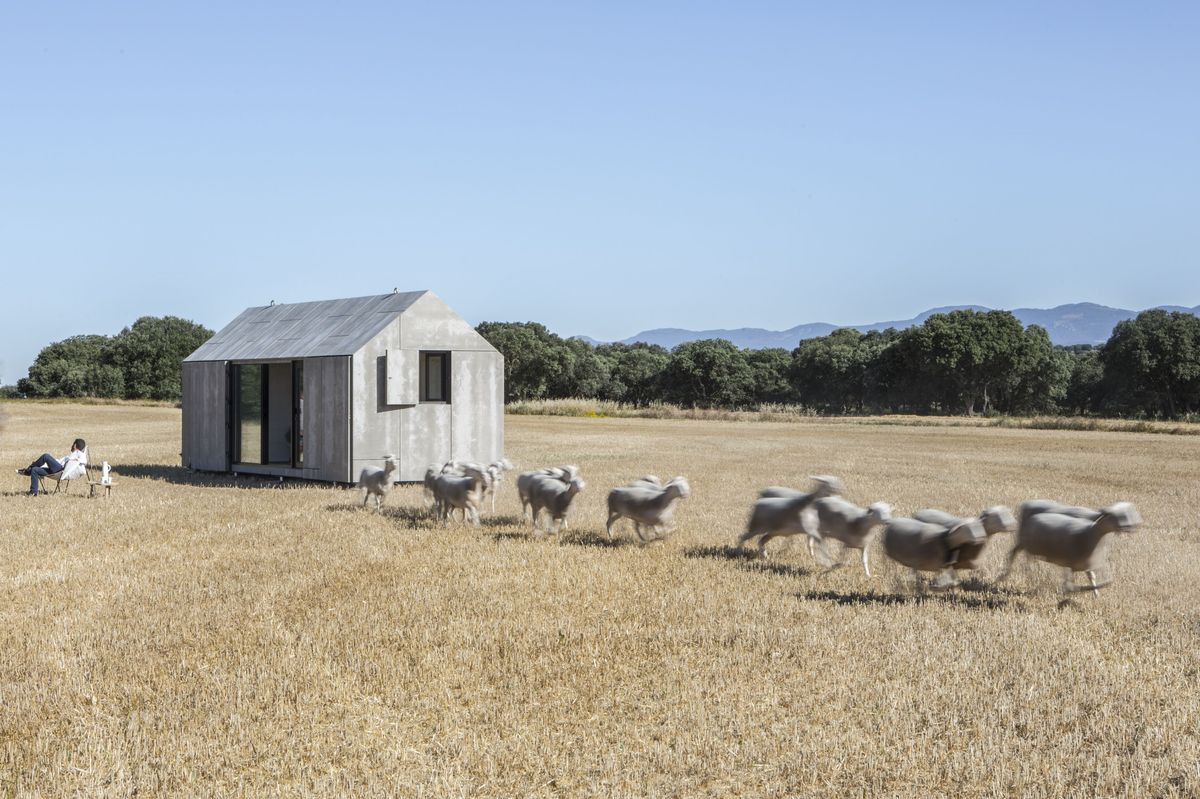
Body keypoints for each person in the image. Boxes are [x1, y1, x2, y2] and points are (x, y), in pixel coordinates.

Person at [16, 438, 87, 496]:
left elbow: (84, 460)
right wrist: (50, 462)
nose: (71, 446)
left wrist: (76, 460)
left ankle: (27, 470)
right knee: (34, 470)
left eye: (72, 444)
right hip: (56, 470)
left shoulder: (79, 453)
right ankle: (33, 493)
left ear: (75, 445)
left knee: (46, 456)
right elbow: (59, 461)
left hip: (60, 470)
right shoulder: (71, 455)